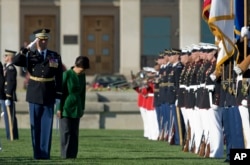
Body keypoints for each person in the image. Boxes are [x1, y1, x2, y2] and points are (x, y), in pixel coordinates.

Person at [12, 28, 63, 159]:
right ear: (36, 40)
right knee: (35, 125)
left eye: (45, 39)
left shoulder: (54, 56)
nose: (43, 42)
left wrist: (58, 95)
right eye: (40, 40)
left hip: (49, 93)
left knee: (47, 126)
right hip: (34, 93)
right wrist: (27, 48)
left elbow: (59, 76)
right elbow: (16, 61)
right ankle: (37, 154)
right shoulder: (30, 55)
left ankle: (45, 154)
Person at [56, 56, 90, 159]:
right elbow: (60, 93)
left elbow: (83, 93)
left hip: (77, 107)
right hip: (66, 107)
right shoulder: (67, 74)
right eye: (82, 69)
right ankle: (65, 155)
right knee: (66, 132)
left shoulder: (82, 76)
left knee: (74, 133)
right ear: (76, 65)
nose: (83, 71)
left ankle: (72, 155)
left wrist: (82, 107)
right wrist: (59, 108)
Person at [3, 49, 19, 140]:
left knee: (10, 117)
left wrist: (8, 96)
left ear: (10, 57)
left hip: (9, 96)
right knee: (7, 117)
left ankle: (12, 136)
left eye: (6, 56)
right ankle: (10, 135)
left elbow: (10, 83)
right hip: (5, 96)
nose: (4, 57)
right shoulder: (6, 67)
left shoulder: (11, 68)